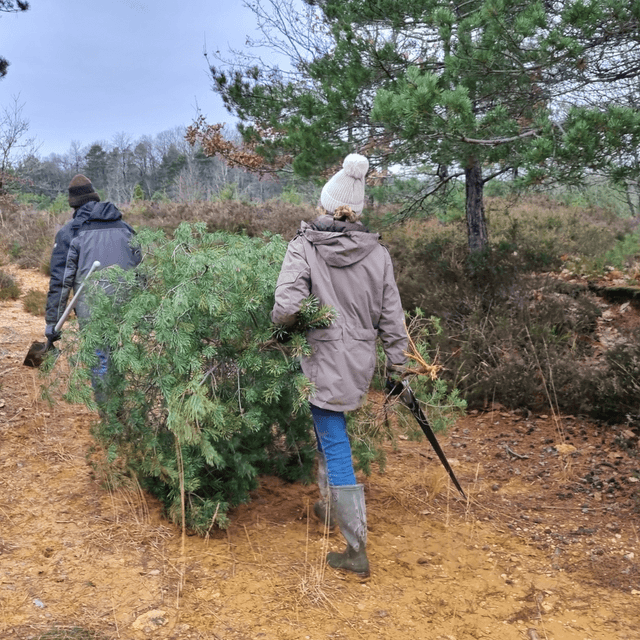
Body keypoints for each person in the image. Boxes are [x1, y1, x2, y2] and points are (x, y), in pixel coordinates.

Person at [271, 153, 408, 578]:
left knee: (332, 438)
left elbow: (285, 306)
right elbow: (392, 317)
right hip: (359, 358)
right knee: (330, 431)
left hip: (321, 356)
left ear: (325, 204)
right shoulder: (378, 253)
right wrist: (398, 366)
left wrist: (286, 328)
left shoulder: (305, 246)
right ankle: (330, 506)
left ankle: (355, 547)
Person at [45, 174, 141, 404]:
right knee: (117, 353)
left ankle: (109, 415)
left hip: (92, 310)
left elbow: (61, 281)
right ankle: (118, 405)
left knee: (100, 358)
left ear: (73, 204)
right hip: (126, 309)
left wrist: (52, 322)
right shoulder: (125, 227)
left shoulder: (70, 233)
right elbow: (141, 266)